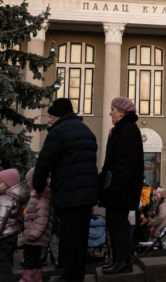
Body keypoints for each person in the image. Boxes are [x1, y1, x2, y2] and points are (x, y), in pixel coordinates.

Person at [33, 98, 98, 282]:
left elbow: (44, 162)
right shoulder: (86, 131)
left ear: (58, 116)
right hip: (87, 194)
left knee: (68, 236)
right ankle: (75, 274)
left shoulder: (58, 132)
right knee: (80, 237)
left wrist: (38, 186)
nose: (50, 120)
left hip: (69, 193)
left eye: (51, 116)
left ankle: (67, 275)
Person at [98, 97, 144, 275]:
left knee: (119, 225)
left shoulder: (128, 130)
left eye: (113, 109)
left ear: (122, 112)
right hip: (117, 188)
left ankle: (124, 261)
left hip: (121, 190)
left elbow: (124, 163)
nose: (110, 112)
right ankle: (118, 260)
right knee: (114, 224)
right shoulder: (121, 129)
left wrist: (114, 186)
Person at [21, 168, 53, 282]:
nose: (27, 184)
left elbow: (42, 219)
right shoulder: (37, 197)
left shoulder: (40, 199)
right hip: (33, 237)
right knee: (35, 259)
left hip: (33, 238)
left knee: (29, 259)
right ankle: (36, 278)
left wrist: (34, 234)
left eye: (28, 181)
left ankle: (28, 279)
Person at [0, 169, 28, 282]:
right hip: (10, 236)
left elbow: (1, 221)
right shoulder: (14, 199)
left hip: (3, 237)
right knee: (7, 263)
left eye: (0, 182)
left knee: (2, 265)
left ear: (8, 185)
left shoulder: (5, 199)